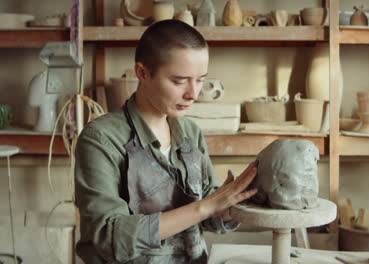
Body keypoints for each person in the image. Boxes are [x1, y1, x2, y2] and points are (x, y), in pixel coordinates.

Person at [74, 20, 258, 264]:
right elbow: (109, 238)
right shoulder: (101, 139)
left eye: (200, 79)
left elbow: (208, 212)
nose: (193, 93)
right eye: (179, 81)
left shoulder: (190, 132)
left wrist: (229, 205)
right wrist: (206, 206)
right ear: (142, 73)